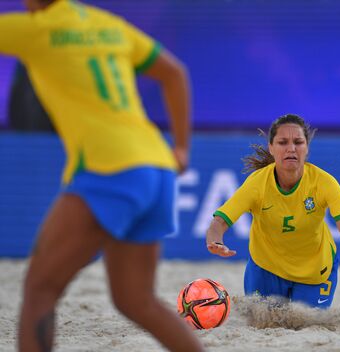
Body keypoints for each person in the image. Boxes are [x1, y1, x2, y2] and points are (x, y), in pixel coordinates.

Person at [0, 1, 203, 351]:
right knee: (136, 300)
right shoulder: (107, 24)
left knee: (39, 288)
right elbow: (175, 73)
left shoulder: (35, 29)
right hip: (157, 168)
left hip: (109, 169)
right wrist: (182, 148)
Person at [206, 114, 340, 309]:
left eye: (298, 142)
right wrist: (215, 241)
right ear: (271, 148)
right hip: (266, 268)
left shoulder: (324, 183)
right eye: (283, 142)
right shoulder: (257, 183)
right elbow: (220, 221)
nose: (291, 148)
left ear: (307, 148)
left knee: (307, 324)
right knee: (263, 322)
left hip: (315, 271)